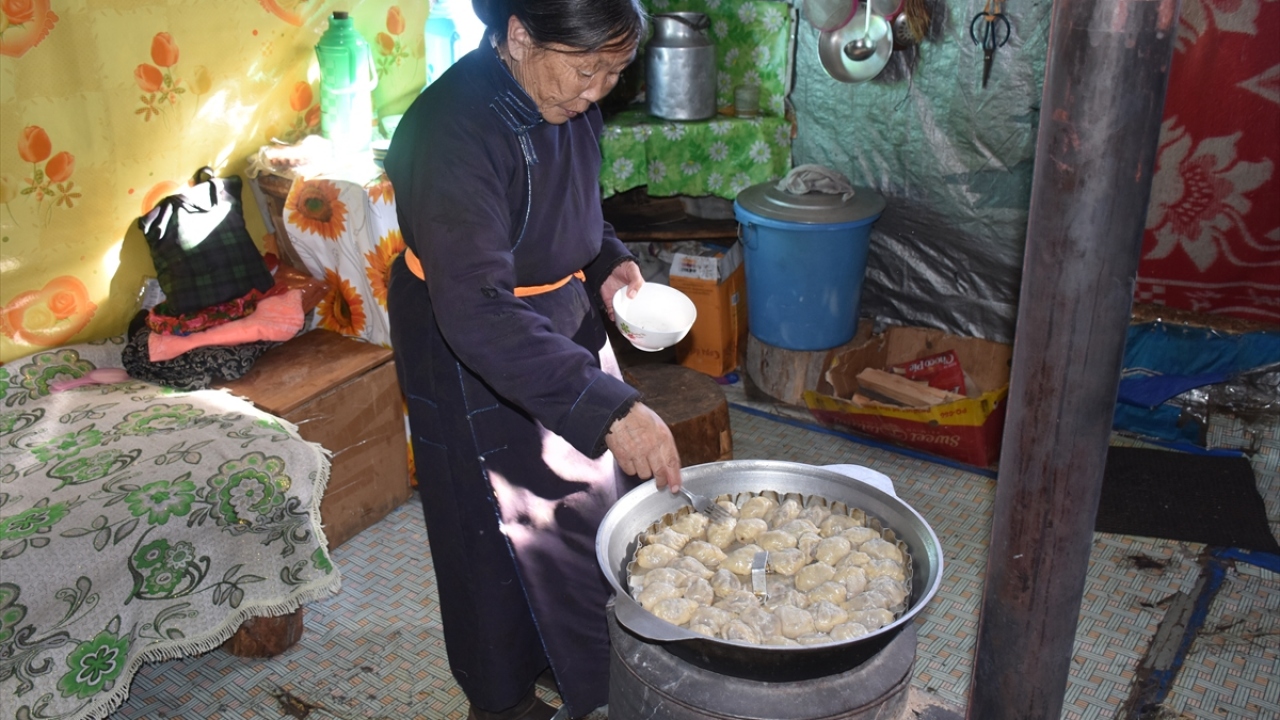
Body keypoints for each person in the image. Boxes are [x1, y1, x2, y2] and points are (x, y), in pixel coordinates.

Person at [383, 2, 681, 719]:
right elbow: (477, 309)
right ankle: (503, 699)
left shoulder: (565, 95)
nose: (594, 93)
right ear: (518, 34)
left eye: (613, 75)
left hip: (557, 317)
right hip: (469, 337)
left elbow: (574, 200)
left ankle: (567, 658)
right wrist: (609, 407)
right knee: (487, 532)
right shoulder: (449, 132)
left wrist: (605, 260)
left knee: (581, 516)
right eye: (586, 71)